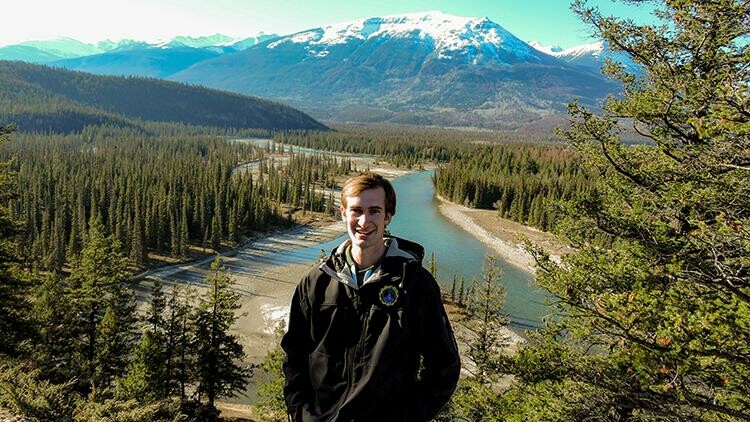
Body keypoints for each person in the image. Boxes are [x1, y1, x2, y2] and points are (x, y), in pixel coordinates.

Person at [281, 172, 460, 422]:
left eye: (374, 210)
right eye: (356, 210)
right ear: (344, 214)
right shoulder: (316, 282)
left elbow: (444, 366)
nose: (364, 221)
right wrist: (301, 413)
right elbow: (294, 356)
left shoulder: (414, 284)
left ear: (388, 216)